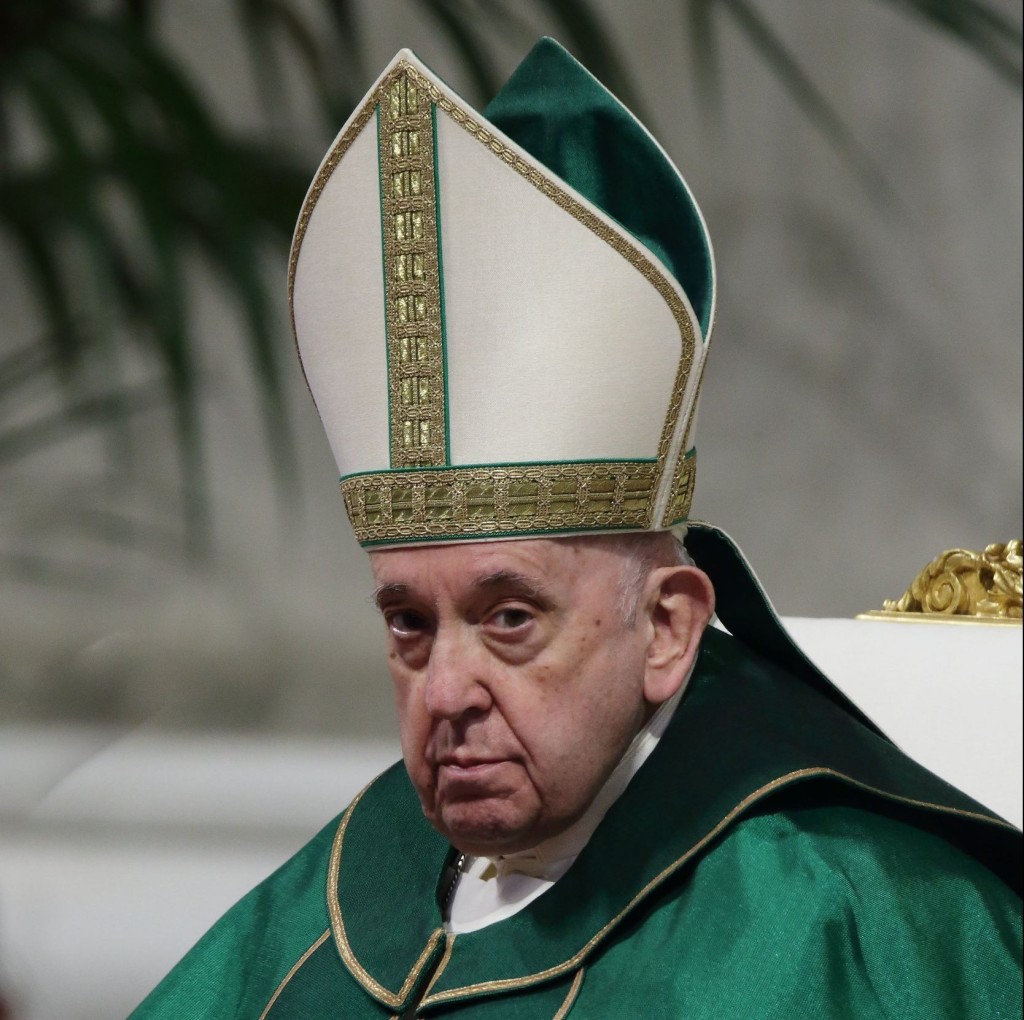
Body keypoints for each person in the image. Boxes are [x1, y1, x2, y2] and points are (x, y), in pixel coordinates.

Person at [130, 38, 1021, 1019]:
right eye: (408, 626)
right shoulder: (318, 917)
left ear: (670, 629)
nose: (446, 692)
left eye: (509, 617)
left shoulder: (846, 923)